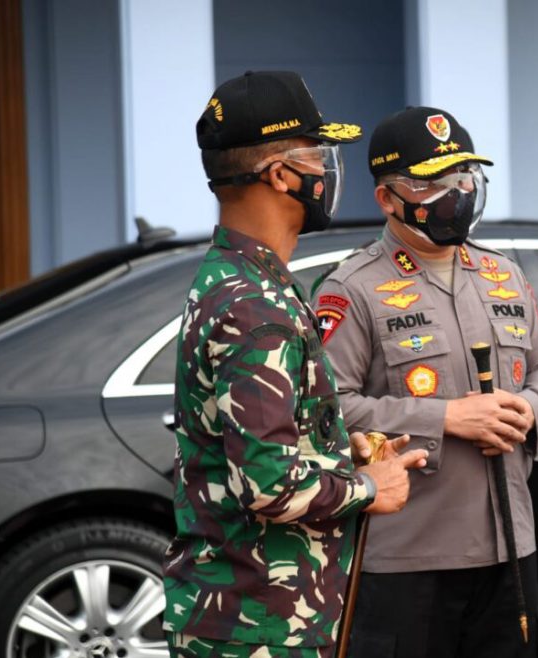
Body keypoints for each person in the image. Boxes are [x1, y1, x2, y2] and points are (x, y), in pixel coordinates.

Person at [162, 71, 428, 658]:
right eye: (320, 155)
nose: (327, 173)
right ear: (281, 173)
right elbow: (268, 486)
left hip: (255, 615)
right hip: (257, 625)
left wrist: (340, 450)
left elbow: (264, 440)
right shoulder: (256, 307)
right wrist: (366, 486)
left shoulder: (238, 279)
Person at [316, 106, 538, 657]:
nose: (456, 194)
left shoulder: (503, 273)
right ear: (387, 198)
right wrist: (445, 418)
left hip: (509, 548)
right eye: (432, 184)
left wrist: (528, 408)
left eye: (463, 178)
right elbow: (328, 408)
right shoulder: (353, 288)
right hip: (410, 556)